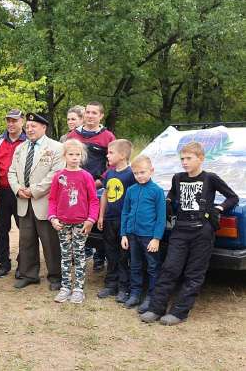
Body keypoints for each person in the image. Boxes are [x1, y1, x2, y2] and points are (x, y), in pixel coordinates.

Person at [141, 142, 238, 326]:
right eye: (182, 159)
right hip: (181, 230)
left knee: (194, 273)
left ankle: (179, 312)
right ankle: (156, 308)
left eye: (189, 158)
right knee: (170, 268)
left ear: (201, 159)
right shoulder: (177, 178)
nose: (184, 162)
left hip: (202, 231)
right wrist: (168, 201)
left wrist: (219, 208)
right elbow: (172, 194)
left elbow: (233, 197)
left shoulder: (210, 178)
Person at [8, 112, 64, 290]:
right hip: (23, 202)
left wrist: (34, 191)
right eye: (28, 126)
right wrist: (18, 189)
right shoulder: (21, 148)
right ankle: (29, 274)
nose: (30, 129)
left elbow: (55, 174)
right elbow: (11, 172)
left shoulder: (56, 147)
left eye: (34, 126)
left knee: (50, 242)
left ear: (44, 128)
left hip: (45, 202)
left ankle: (55, 276)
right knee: (26, 240)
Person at [48, 139, 99, 303]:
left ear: (82, 156)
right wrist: (53, 217)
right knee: (65, 256)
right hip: (62, 223)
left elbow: (94, 200)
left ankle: (78, 288)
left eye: (78, 154)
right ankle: (65, 287)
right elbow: (52, 200)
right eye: (71, 154)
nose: (74, 158)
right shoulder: (59, 176)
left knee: (79, 255)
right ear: (65, 155)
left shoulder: (86, 176)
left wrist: (91, 219)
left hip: (81, 223)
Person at [66, 101, 115, 271]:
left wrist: (99, 181)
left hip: (98, 186)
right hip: (75, 188)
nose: (90, 116)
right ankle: (77, 255)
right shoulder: (73, 135)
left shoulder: (108, 136)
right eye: (88, 112)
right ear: (84, 114)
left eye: (95, 113)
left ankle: (99, 257)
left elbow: (113, 163)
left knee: (99, 224)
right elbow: (65, 159)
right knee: (76, 221)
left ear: (101, 116)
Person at [119, 155, 165, 312]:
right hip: (132, 235)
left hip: (149, 238)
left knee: (152, 266)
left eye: (143, 172)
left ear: (151, 171)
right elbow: (125, 212)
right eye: (136, 173)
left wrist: (157, 238)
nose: (139, 176)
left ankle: (152, 296)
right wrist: (123, 234)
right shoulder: (131, 190)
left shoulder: (157, 191)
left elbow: (161, 218)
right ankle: (135, 293)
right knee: (135, 265)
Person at [96, 139, 136, 302]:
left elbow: (134, 198)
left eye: (111, 152)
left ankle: (124, 287)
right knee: (110, 252)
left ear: (123, 155)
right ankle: (110, 284)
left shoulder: (131, 174)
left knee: (123, 255)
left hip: (124, 221)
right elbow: (105, 193)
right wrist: (101, 215)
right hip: (109, 220)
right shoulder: (110, 173)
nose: (107, 155)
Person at [0, 109, 26, 278]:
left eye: (15, 120)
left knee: (25, 229)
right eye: (9, 120)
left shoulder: (28, 140)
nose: (11, 124)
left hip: (21, 192)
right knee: (2, 228)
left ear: (22, 121)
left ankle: (23, 263)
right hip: (3, 191)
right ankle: (4, 263)